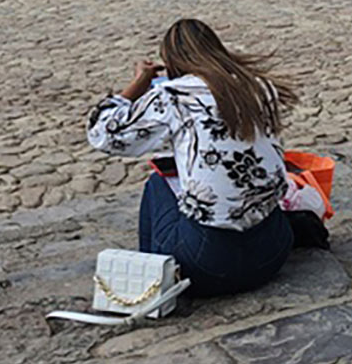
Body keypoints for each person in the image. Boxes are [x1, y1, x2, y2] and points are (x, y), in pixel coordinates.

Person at [86, 18, 295, 297]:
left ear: (172, 63)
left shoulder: (173, 95)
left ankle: (150, 283)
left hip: (208, 263)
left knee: (158, 185)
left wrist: (139, 82)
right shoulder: (259, 87)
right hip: (273, 252)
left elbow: (104, 133)